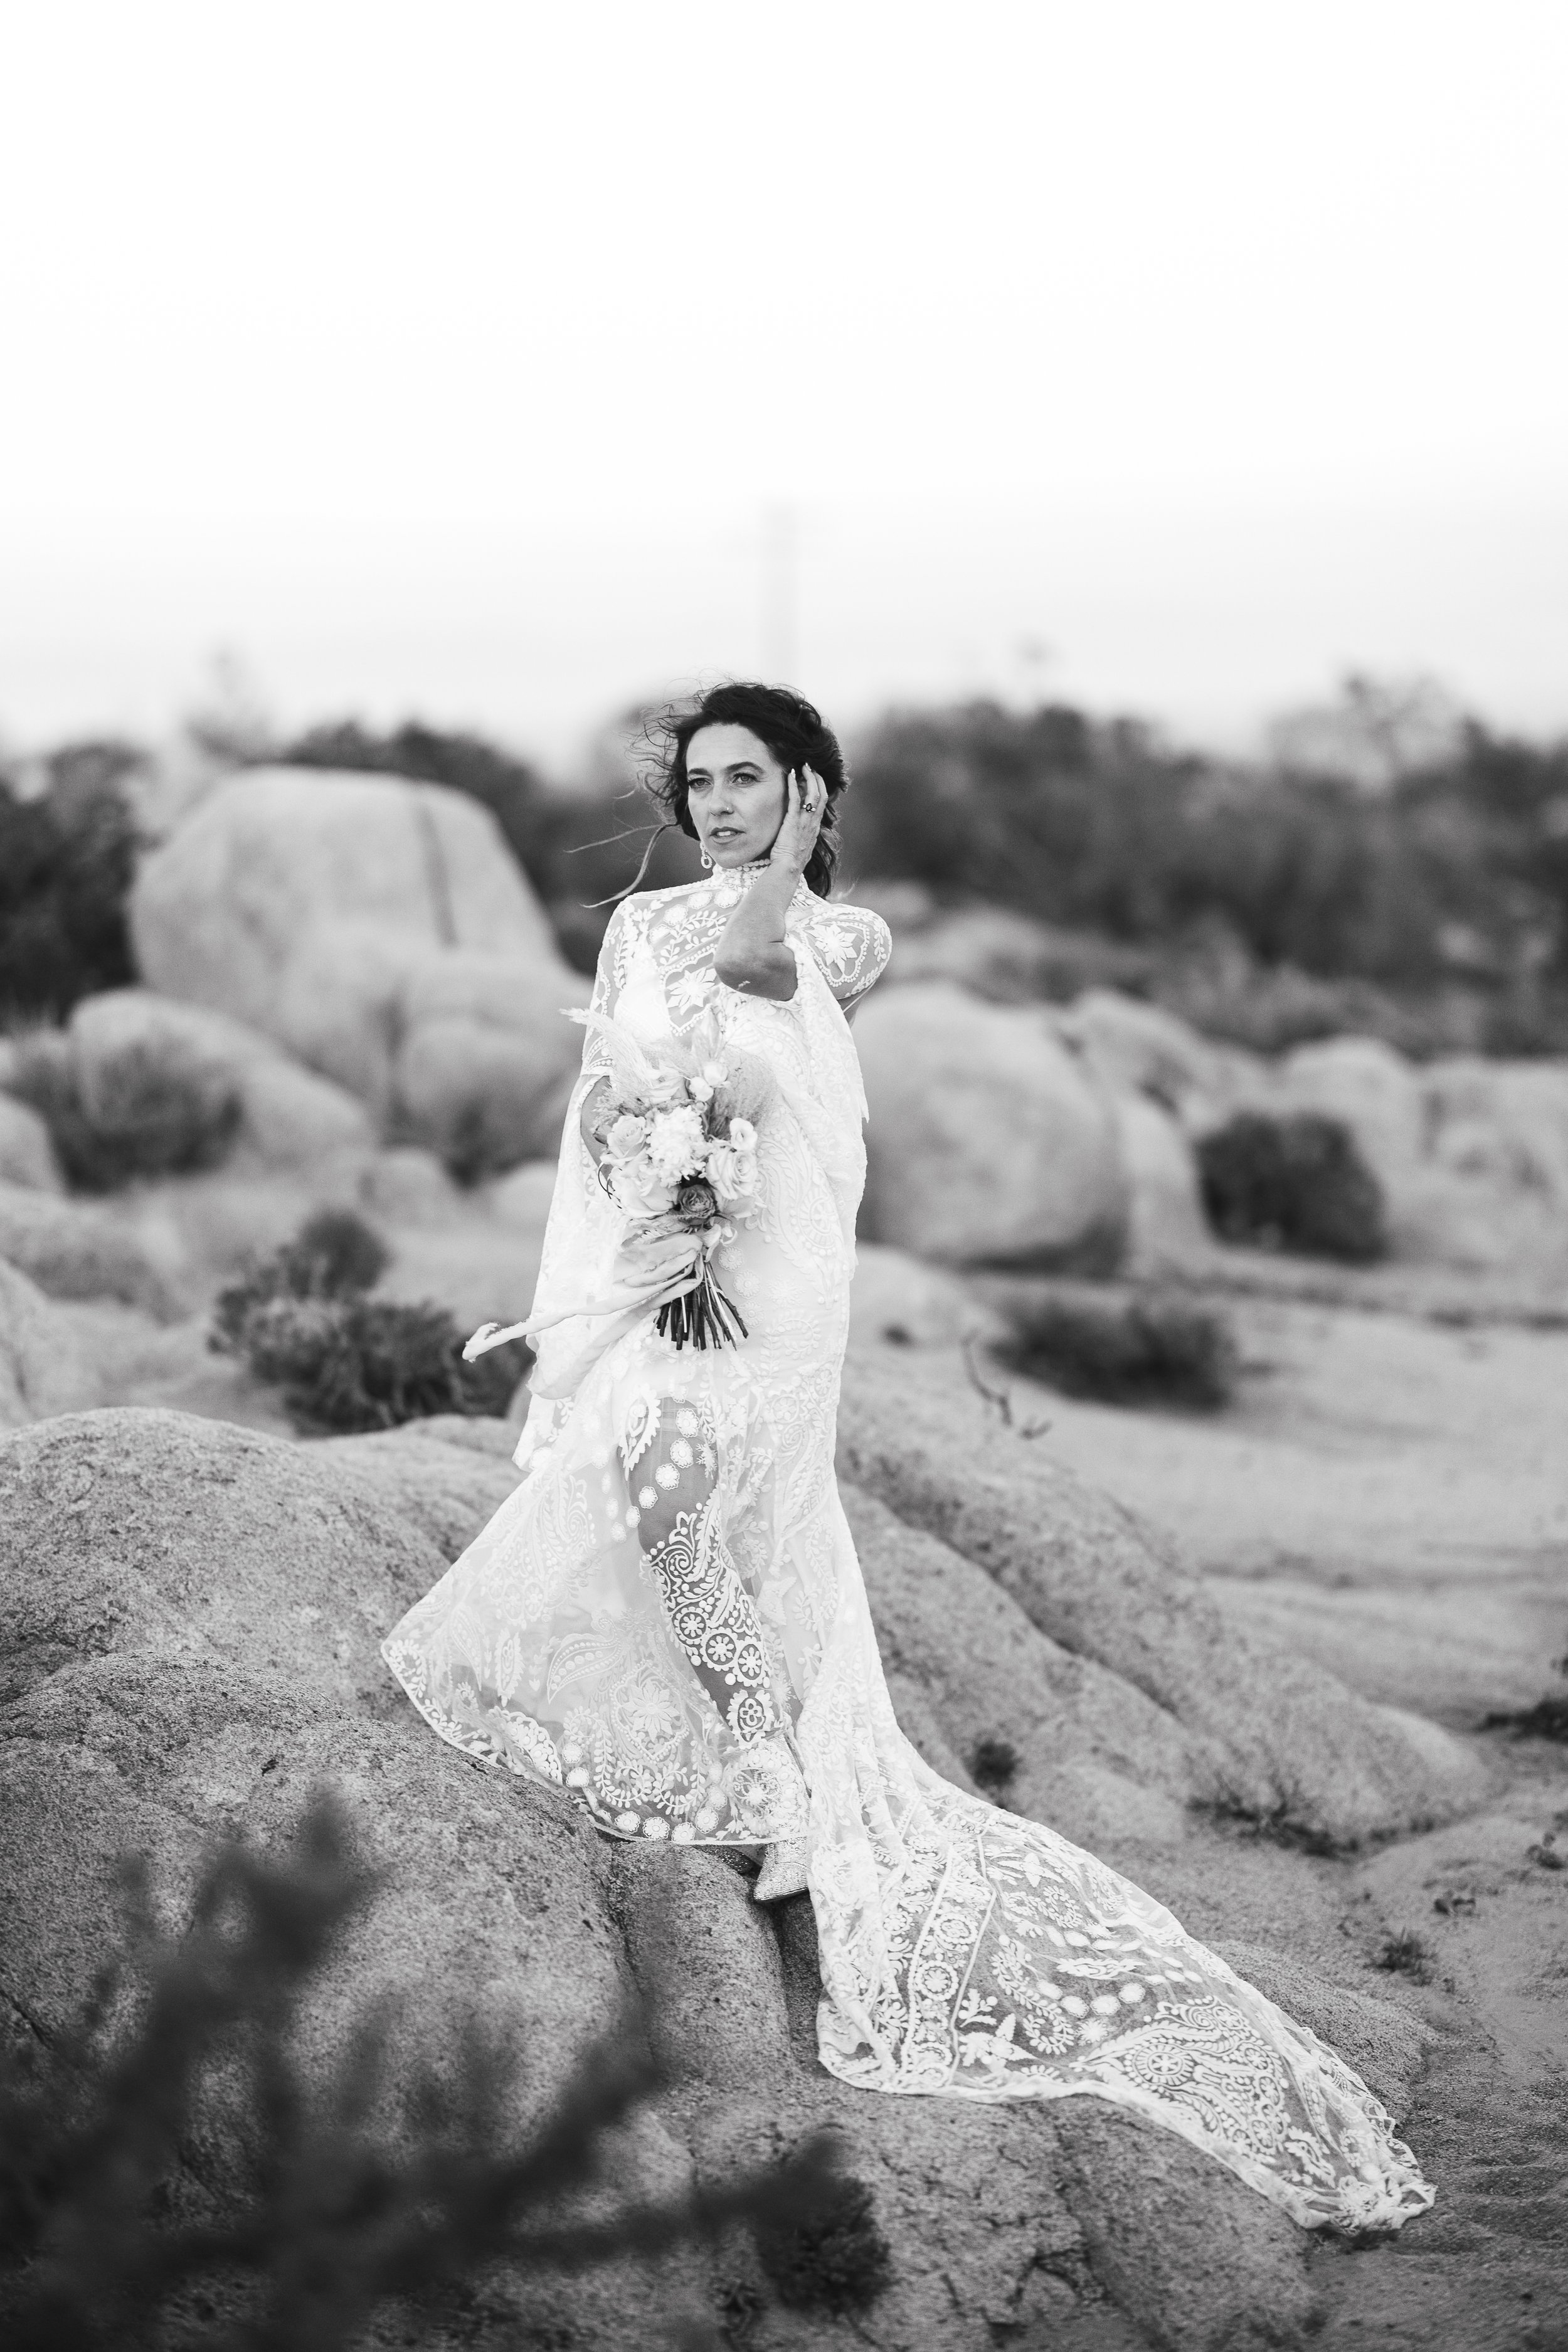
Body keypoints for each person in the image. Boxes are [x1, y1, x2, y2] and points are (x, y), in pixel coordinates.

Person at [383, 681, 1433, 2234]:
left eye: (749, 780)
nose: (719, 803)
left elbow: (759, 963)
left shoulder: (841, 936)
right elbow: (609, 1087)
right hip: (683, 1251)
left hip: (785, 1282)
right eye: (702, 784)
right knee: (663, 1490)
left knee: (699, 1494)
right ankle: (764, 1762)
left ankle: (778, 1776)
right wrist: (645, 1175)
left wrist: (789, 867)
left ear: (802, 792)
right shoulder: (634, 932)